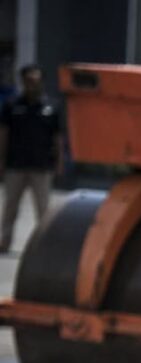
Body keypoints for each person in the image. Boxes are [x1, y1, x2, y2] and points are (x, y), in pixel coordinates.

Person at [0, 64, 63, 254]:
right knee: (10, 207)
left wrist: (59, 162)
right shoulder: (12, 105)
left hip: (42, 166)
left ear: (41, 82)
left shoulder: (51, 107)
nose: (32, 84)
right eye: (28, 80)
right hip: (15, 165)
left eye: (35, 80)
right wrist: (1, 161)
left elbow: (58, 138)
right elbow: (3, 135)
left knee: (43, 210)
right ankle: (5, 241)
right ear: (23, 82)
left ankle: (43, 245)